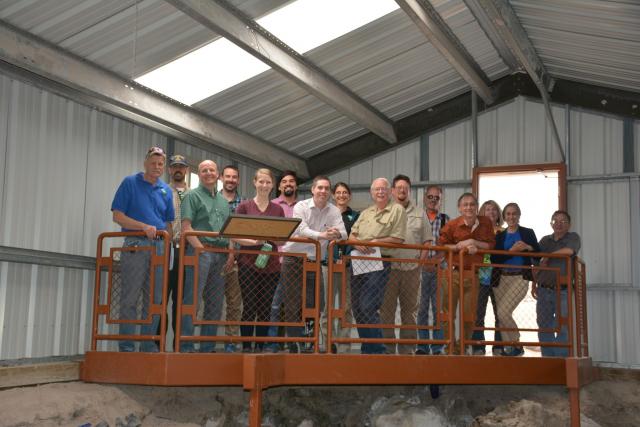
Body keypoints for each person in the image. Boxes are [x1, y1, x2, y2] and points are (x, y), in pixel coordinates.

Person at [111, 146, 174, 352]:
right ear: (145, 163)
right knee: (130, 297)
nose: (157, 167)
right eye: (153, 163)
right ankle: (127, 347)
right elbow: (117, 216)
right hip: (136, 244)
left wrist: (168, 246)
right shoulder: (130, 183)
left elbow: (169, 223)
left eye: (160, 164)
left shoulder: (165, 190)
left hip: (160, 247)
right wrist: (142, 227)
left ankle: (148, 345)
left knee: (155, 299)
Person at [281, 176, 347, 353]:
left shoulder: (333, 210)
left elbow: (344, 233)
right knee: (292, 302)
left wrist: (336, 233)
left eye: (326, 188)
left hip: (315, 260)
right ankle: (294, 342)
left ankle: (309, 340)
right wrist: (323, 235)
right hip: (293, 258)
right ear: (312, 190)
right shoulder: (301, 206)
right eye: (320, 188)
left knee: (316, 303)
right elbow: (300, 230)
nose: (323, 191)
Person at [180, 160, 233, 352]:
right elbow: (186, 227)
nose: (208, 173)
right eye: (204, 170)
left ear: (218, 174)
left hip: (220, 254)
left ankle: (207, 346)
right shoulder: (191, 196)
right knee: (192, 301)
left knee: (215, 303)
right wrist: (201, 250)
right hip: (199, 252)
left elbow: (228, 231)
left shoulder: (223, 201)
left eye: (211, 170)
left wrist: (230, 253)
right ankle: (186, 345)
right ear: (199, 174)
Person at [349, 177, 407, 354]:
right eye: (376, 189)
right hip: (359, 261)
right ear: (371, 193)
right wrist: (356, 243)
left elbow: (398, 239)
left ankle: (378, 348)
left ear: (390, 192)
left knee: (368, 305)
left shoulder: (397, 210)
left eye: (384, 189)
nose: (380, 192)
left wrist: (375, 241)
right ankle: (368, 347)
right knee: (357, 307)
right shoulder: (366, 213)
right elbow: (352, 235)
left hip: (379, 261)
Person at [380, 175, 433, 354]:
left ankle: (408, 350)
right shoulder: (383, 211)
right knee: (386, 311)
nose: (402, 190)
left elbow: (427, 241)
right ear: (393, 191)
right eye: (399, 187)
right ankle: (387, 349)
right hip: (388, 269)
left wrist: (420, 262)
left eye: (406, 188)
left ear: (409, 191)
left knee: (410, 312)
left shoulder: (420, 213)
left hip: (412, 270)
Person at [234, 168, 285, 352]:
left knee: (265, 308)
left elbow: (282, 239)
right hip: (248, 263)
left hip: (271, 266)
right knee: (249, 306)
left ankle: (261, 346)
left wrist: (275, 237)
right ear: (254, 182)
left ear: (272, 185)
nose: (264, 185)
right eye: (261, 181)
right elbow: (234, 235)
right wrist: (254, 241)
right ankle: (247, 346)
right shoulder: (244, 207)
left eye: (268, 182)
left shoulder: (278, 209)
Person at [438, 193, 495, 354]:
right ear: (459, 208)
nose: (469, 207)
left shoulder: (486, 223)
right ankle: (451, 348)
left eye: (472, 204)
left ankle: (463, 345)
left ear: (477, 207)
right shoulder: (451, 225)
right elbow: (441, 246)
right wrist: (458, 247)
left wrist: (473, 243)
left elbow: (491, 245)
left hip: (474, 274)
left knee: (470, 315)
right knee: (448, 314)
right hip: (452, 274)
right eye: (465, 205)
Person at [491, 203, 540, 357]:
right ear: (504, 217)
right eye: (508, 214)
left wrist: (528, 247)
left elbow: (538, 254)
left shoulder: (527, 233)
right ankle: (510, 348)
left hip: (520, 277)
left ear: (519, 215)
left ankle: (516, 342)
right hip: (501, 278)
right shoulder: (500, 235)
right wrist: (511, 251)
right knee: (501, 315)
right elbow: (494, 257)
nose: (511, 217)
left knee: (503, 311)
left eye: (514, 214)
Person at [534, 210, 581, 357]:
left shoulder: (573, 237)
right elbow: (536, 262)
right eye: (555, 221)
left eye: (563, 221)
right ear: (551, 224)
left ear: (569, 224)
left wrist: (548, 256)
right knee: (544, 324)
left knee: (563, 324)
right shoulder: (544, 241)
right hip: (543, 289)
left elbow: (569, 251)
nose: (559, 224)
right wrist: (533, 283)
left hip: (563, 290)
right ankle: (548, 358)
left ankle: (561, 360)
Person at [266, 171, 299, 348]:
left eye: (292, 181)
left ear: (296, 186)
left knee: (294, 306)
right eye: (284, 181)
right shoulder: (272, 206)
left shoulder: (303, 206)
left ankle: (293, 342)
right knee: (275, 305)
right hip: (274, 262)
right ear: (279, 186)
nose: (288, 184)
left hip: (296, 263)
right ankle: (273, 343)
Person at [416, 185, 449, 355]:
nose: (433, 200)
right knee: (421, 308)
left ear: (440, 200)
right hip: (420, 268)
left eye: (437, 197)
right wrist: (422, 261)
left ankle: (437, 347)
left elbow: (448, 243)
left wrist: (437, 259)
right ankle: (422, 345)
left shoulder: (446, 219)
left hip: (439, 268)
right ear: (424, 198)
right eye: (430, 197)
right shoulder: (417, 217)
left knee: (438, 308)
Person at [162, 154, 190, 350]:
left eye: (181, 166)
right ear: (169, 170)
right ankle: (156, 345)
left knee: (180, 303)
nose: (178, 169)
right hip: (166, 251)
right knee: (160, 300)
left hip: (186, 252)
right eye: (174, 167)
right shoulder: (162, 191)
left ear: (186, 170)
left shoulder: (194, 194)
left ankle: (179, 346)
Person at [329, 182, 359, 353]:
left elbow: (357, 237)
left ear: (349, 195)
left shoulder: (355, 216)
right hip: (328, 265)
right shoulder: (327, 212)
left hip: (347, 267)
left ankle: (344, 344)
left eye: (345, 192)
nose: (341, 195)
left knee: (346, 307)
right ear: (333, 195)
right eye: (338, 192)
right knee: (328, 307)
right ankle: (328, 343)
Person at [472, 200, 504, 356]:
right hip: (481, 275)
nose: (491, 212)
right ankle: (478, 345)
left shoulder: (504, 232)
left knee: (500, 312)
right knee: (478, 312)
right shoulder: (477, 231)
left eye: (494, 210)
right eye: (487, 209)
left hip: (499, 276)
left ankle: (499, 345)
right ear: (482, 213)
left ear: (498, 214)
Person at [219, 165, 245, 353]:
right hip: (214, 257)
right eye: (227, 176)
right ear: (222, 178)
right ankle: (205, 341)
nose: (231, 180)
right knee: (210, 301)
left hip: (237, 261)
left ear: (238, 180)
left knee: (234, 304)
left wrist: (234, 253)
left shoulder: (243, 204)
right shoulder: (213, 199)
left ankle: (230, 340)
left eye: (234, 177)